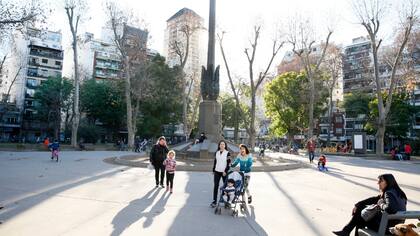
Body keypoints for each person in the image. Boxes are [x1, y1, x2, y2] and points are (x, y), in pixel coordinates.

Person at [333, 174, 407, 236]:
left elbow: (390, 208)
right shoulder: (400, 193)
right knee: (361, 211)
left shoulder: (388, 193)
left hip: (387, 228)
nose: (378, 183)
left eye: (381, 181)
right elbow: (374, 199)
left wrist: (381, 204)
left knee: (361, 214)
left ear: (388, 182)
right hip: (394, 225)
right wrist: (358, 204)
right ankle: (346, 231)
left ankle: (346, 231)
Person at [210, 140, 231, 208]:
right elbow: (215, 162)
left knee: (226, 187)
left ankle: (226, 201)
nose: (222, 145)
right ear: (219, 145)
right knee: (216, 186)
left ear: (225, 146)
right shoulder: (217, 152)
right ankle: (214, 201)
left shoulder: (228, 153)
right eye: (221, 144)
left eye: (223, 144)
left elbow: (229, 164)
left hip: (224, 172)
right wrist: (213, 170)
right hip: (217, 171)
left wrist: (225, 171)